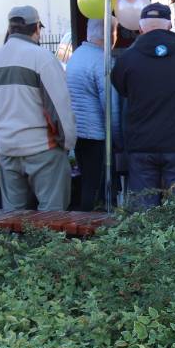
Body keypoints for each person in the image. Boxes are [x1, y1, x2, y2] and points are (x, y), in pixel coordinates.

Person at [112, 2, 175, 206]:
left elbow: (121, 89)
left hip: (141, 142)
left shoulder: (127, 58)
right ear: (169, 26)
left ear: (141, 28)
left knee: (143, 209)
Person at [0, 6, 76, 211]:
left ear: (10, 29)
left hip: (7, 148)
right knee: (52, 218)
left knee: (13, 219)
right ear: (36, 28)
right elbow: (59, 108)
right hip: (43, 148)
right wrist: (67, 143)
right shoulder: (42, 58)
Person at [65, 19, 121, 211]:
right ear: (110, 34)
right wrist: (118, 138)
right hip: (97, 134)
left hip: (78, 132)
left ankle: (85, 223)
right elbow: (111, 106)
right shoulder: (102, 61)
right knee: (98, 189)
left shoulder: (77, 55)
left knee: (88, 183)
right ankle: (96, 225)